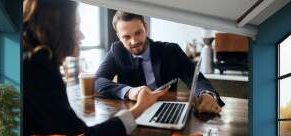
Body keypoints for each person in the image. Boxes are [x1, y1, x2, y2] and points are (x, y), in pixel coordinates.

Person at [22, 0, 167, 136]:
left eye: (138, 33)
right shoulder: (38, 69)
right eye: (75, 27)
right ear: (56, 29)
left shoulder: (34, 63)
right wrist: (138, 108)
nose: (82, 35)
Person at [95, 11, 225, 113]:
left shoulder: (171, 51)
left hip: (169, 111)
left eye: (138, 33)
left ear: (145, 27)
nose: (134, 41)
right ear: (118, 36)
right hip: (133, 113)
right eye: (126, 37)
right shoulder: (117, 51)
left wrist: (206, 94)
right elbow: (98, 80)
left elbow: (197, 80)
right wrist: (129, 92)